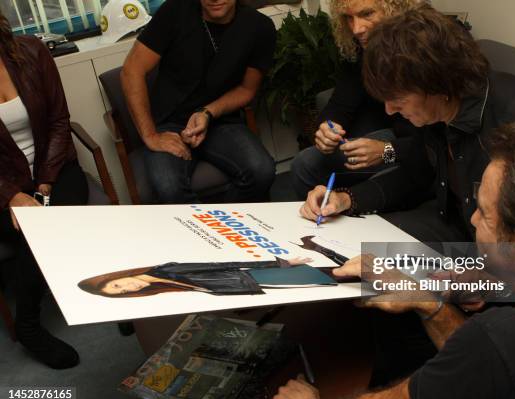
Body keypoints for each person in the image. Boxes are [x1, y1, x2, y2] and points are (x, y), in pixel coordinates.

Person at [272, 121, 515, 399]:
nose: (474, 220)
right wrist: (428, 300)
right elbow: (498, 362)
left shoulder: (500, 338)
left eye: (484, 213)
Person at [300, 5, 515, 243]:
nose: (389, 109)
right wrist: (345, 199)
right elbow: (418, 172)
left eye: (397, 98)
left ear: (434, 82)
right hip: (454, 222)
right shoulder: (436, 112)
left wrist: (483, 283)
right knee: (350, 247)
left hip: (500, 255)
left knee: (381, 276)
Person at [121, 0, 276, 204]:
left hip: (219, 120)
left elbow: (247, 90)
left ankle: (227, 227)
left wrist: (208, 112)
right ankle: (202, 232)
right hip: (169, 122)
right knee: (169, 188)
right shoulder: (175, 10)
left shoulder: (259, 26)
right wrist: (150, 135)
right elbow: (131, 71)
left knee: (261, 170)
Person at [0, 14, 88, 369]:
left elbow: (58, 120)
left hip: (55, 168)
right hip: (4, 186)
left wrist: (45, 183)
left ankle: (105, 298)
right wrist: (11, 196)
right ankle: (29, 325)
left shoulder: (31, 51)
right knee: (36, 230)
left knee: (49, 221)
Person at [290, 0, 421, 199]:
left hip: (420, 149)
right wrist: (326, 128)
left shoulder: (427, 48)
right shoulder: (362, 49)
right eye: (348, 18)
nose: (356, 29)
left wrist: (386, 150)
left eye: (367, 14)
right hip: (390, 135)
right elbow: (340, 103)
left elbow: (435, 147)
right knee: (306, 163)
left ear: (395, 9)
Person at [78, 257, 311, 298]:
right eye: (122, 292)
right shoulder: (162, 287)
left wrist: (280, 263)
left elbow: (222, 265)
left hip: (258, 276)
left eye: (117, 284)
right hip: (253, 289)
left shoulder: (167, 270)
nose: (127, 288)